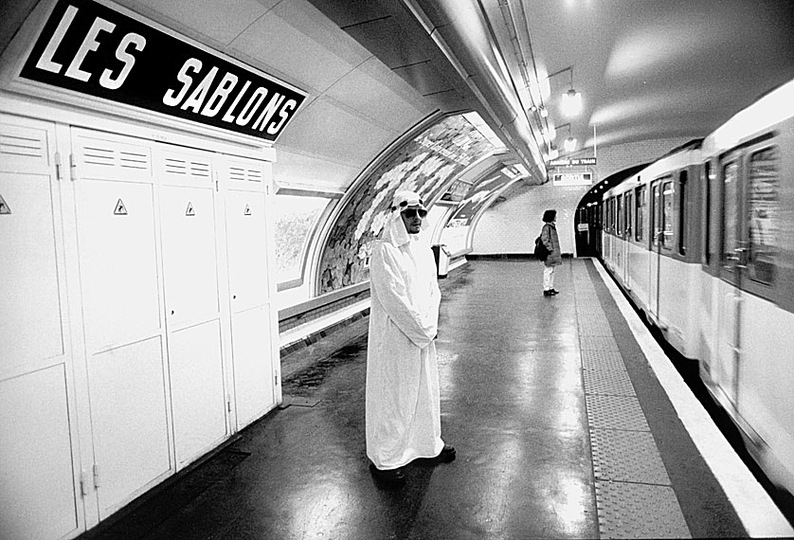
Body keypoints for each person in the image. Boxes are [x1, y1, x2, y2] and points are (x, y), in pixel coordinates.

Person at [366, 190, 455, 484]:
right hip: (397, 337)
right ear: (397, 216)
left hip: (423, 335)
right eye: (409, 213)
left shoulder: (422, 248)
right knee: (395, 396)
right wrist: (421, 330)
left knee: (425, 391)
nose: (417, 218)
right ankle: (387, 458)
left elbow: (434, 290)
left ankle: (427, 445)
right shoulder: (384, 250)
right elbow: (393, 299)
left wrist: (429, 326)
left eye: (421, 213)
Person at [540, 209, 562, 296]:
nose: (556, 217)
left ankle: (550, 287)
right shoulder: (547, 227)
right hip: (550, 252)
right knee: (548, 270)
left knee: (552, 270)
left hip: (552, 252)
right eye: (555, 216)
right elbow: (545, 239)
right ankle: (546, 289)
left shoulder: (551, 226)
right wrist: (550, 249)